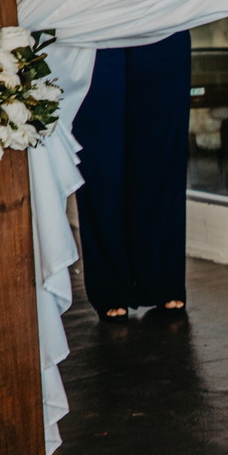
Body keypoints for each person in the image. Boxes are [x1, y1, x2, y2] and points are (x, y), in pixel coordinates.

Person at [72, 31, 192, 320]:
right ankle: (109, 286)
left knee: (162, 157)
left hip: (163, 22)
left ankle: (164, 279)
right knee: (100, 160)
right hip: (93, 27)